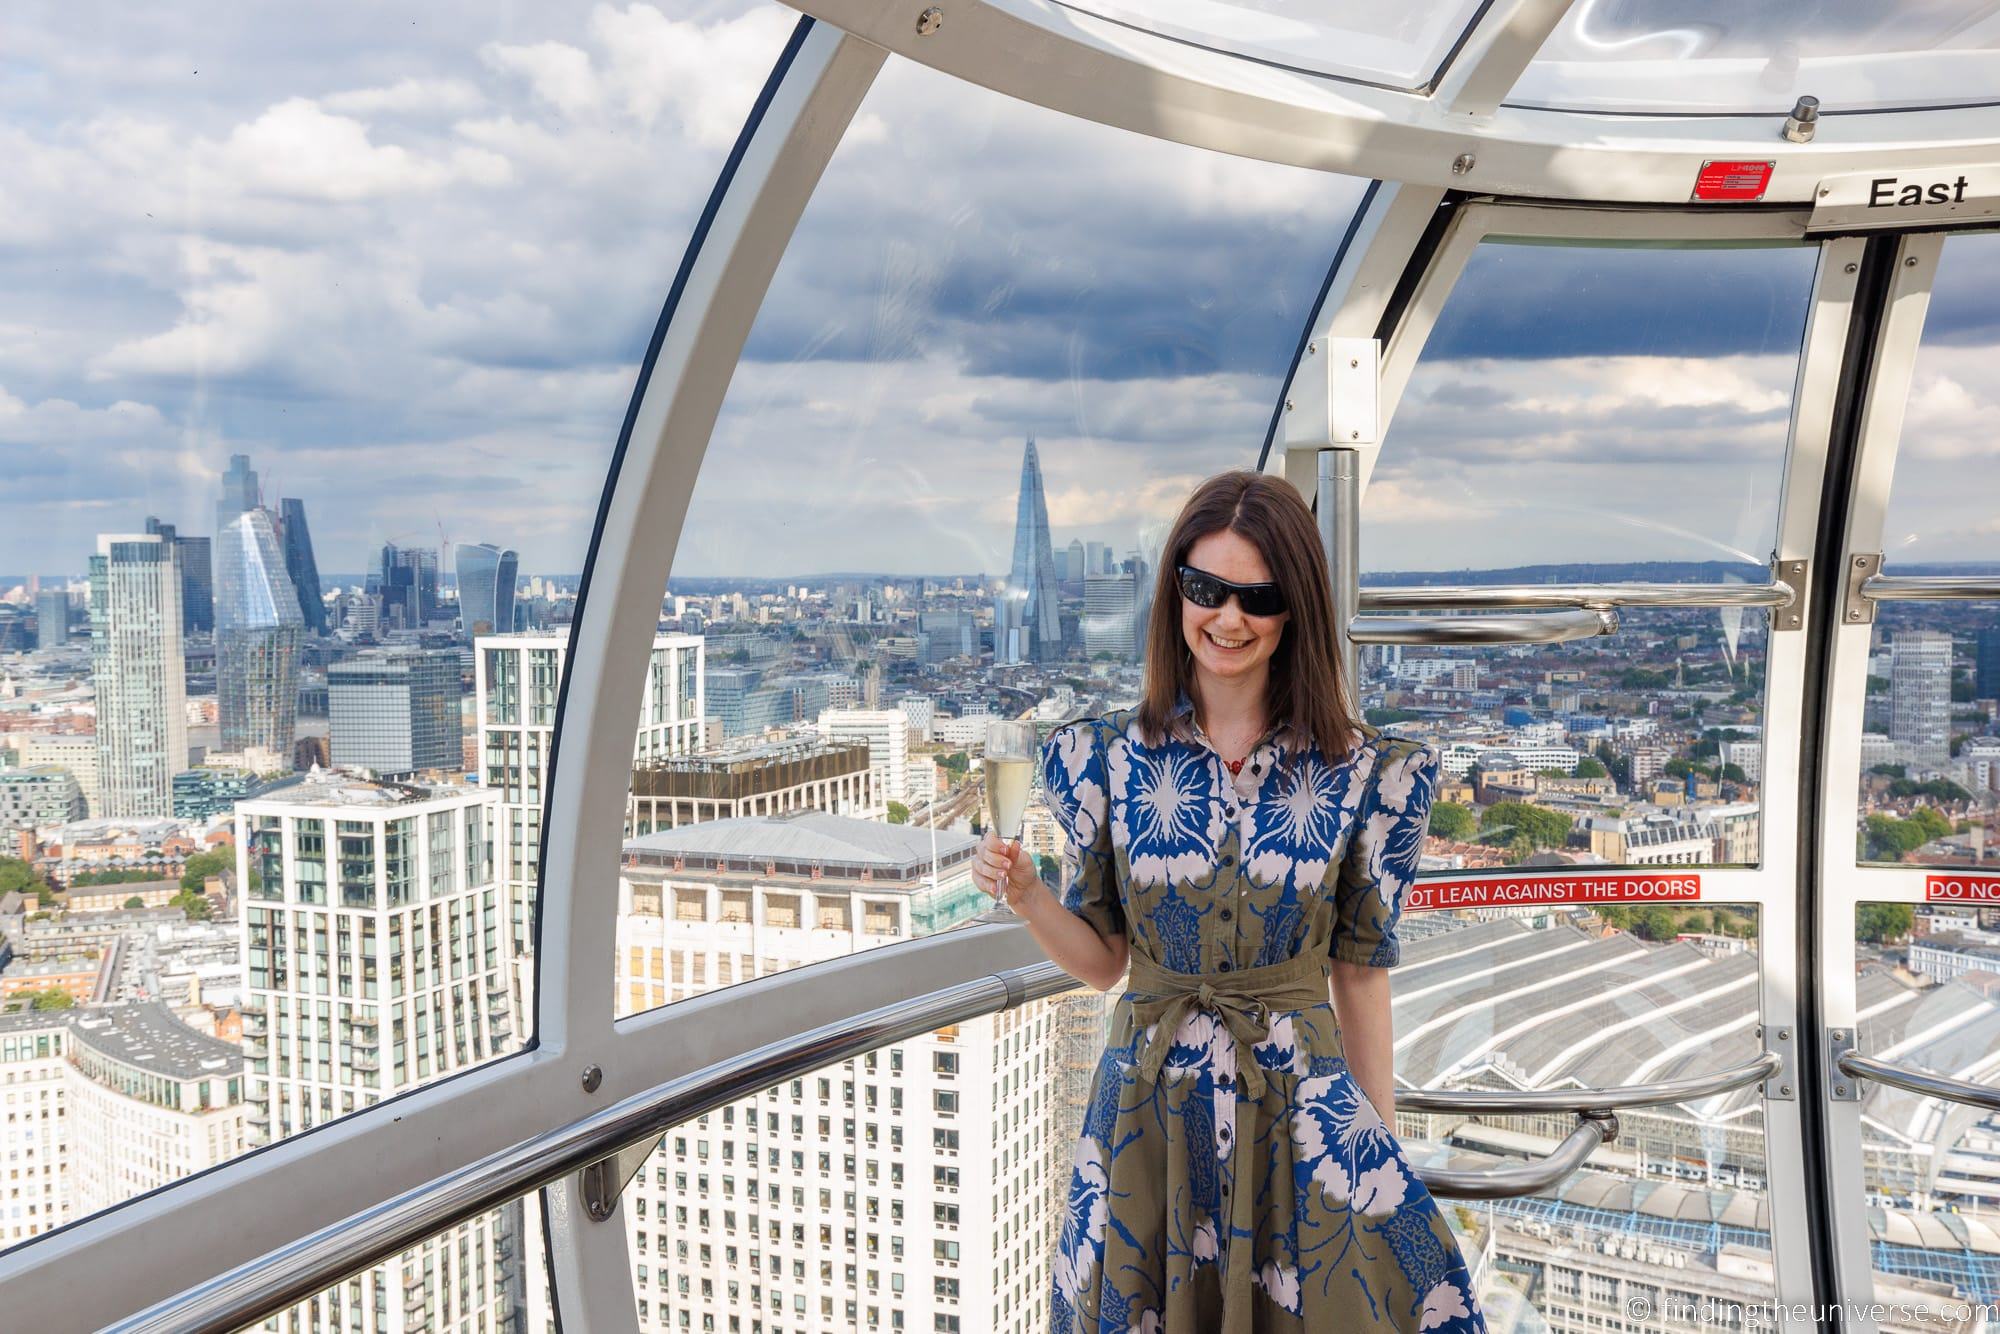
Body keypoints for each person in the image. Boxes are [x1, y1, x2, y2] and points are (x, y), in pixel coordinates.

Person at [970, 470, 1485, 1333]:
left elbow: (1360, 977)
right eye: (1206, 590)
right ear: (1176, 592)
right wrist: (1026, 896)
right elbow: (1104, 966)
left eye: (1259, 596)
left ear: (1297, 610)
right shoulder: (1102, 759)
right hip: (1147, 1116)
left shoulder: (1366, 773)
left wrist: (1375, 1151)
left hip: (1298, 1114)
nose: (1229, 619)